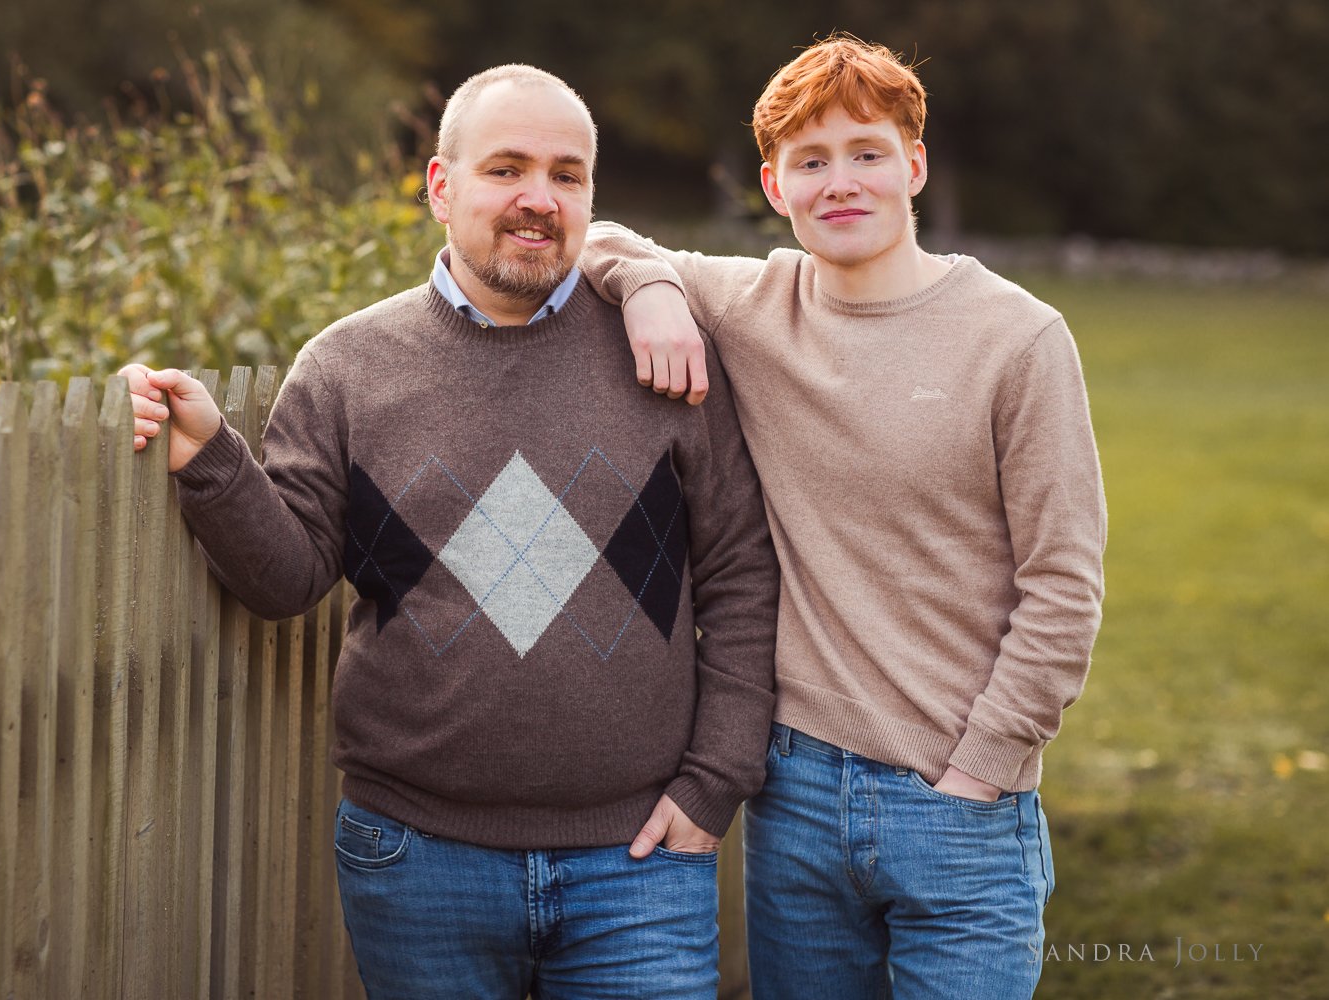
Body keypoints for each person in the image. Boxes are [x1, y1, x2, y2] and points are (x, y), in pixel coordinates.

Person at [122, 64, 778, 999]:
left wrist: (714, 782)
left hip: (637, 869)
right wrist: (209, 460)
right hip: (415, 858)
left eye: (566, 175)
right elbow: (289, 578)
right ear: (441, 186)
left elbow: (742, 580)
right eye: (506, 169)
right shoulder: (347, 368)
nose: (538, 200)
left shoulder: (662, 357)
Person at [579, 34, 1107, 1000]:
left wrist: (980, 772)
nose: (841, 183)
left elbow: (1063, 588)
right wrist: (653, 289)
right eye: (810, 163)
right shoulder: (756, 303)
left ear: (913, 165)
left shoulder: (1020, 339)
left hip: (963, 808)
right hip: (798, 800)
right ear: (775, 188)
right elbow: (598, 236)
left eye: (866, 153)